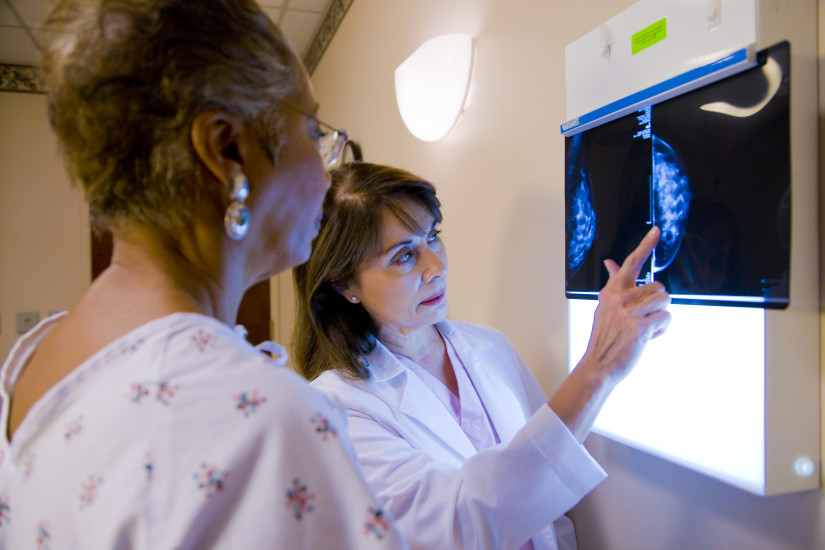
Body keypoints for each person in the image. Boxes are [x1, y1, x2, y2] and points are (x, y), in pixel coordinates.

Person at [0, 2, 407, 549]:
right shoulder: (263, 422)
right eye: (312, 132)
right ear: (226, 149)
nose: (326, 171)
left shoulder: (32, 355)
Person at [293, 162, 671, 550]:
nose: (436, 267)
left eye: (433, 237)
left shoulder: (491, 347)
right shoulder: (336, 408)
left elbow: (550, 497)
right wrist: (599, 367)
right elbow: (457, 525)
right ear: (343, 283)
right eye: (403, 256)